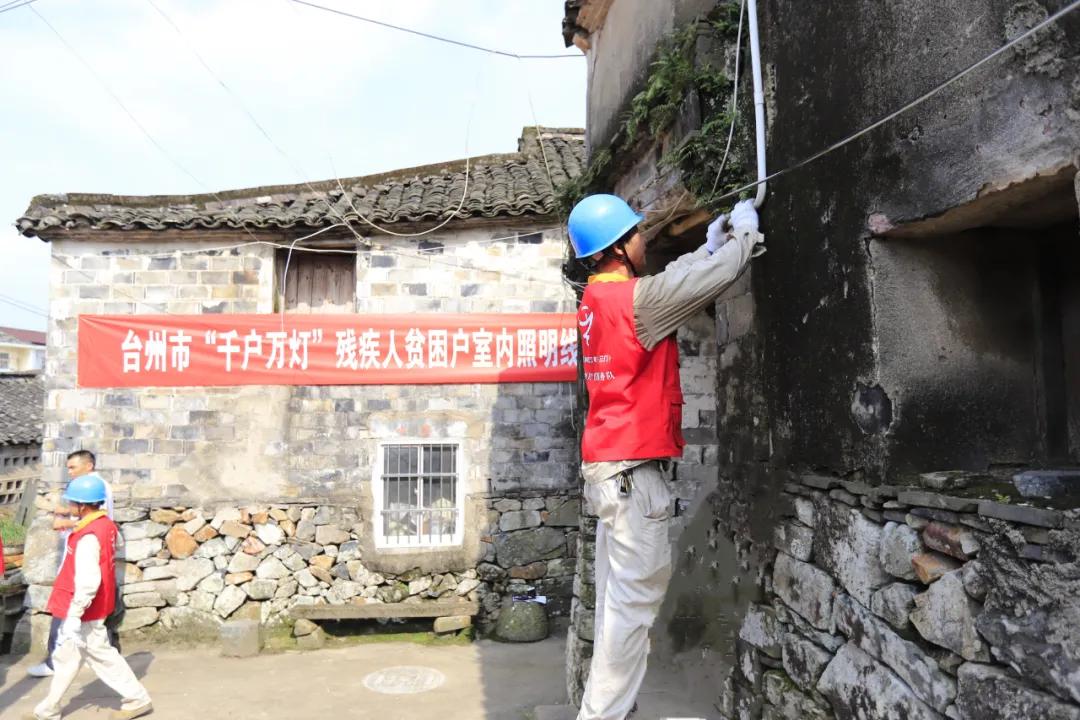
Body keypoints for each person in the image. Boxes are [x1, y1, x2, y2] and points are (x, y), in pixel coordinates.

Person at [569, 194, 762, 720]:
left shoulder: (597, 299)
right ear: (619, 247)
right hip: (633, 477)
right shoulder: (637, 302)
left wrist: (705, 244)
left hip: (610, 472)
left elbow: (662, 288)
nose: (644, 241)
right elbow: (707, 280)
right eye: (637, 235)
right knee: (631, 615)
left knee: (617, 610)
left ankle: (615, 710)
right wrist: (741, 236)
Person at [25, 472, 152, 720]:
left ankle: (137, 698)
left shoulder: (88, 536)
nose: (70, 506)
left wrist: (74, 615)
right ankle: (48, 709)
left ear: (82, 505)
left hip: (85, 610)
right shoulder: (104, 525)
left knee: (100, 656)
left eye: (73, 502)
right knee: (67, 658)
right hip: (90, 608)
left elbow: (88, 580)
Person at [28, 450, 117, 678]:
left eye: (73, 467)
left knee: (68, 609)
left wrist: (64, 521)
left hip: (81, 560)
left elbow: (96, 517)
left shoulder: (95, 488)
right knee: (89, 621)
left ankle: (54, 661)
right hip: (80, 555)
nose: (69, 472)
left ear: (88, 466)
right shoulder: (91, 487)